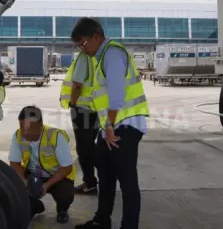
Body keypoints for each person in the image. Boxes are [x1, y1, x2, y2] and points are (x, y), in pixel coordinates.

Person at [71, 17, 149, 229]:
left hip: (125, 125)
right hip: (113, 125)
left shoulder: (112, 54)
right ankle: (101, 220)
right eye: (78, 46)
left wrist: (109, 126)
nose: (82, 49)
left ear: (96, 37)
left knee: (127, 181)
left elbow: (117, 95)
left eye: (83, 44)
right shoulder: (99, 56)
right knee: (105, 175)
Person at [8, 106, 75, 224]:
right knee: (12, 181)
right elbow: (14, 163)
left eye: (28, 129)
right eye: (22, 127)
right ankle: (34, 206)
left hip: (55, 176)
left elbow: (67, 167)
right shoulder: (18, 136)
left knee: (66, 194)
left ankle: (62, 210)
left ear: (40, 126)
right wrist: (23, 181)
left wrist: (47, 185)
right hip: (33, 174)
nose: (24, 132)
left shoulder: (55, 136)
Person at [59, 52, 99, 195]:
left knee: (84, 148)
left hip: (82, 109)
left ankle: (90, 183)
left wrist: (72, 103)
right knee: (90, 144)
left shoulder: (85, 57)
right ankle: (104, 174)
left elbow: (77, 85)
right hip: (98, 108)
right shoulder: (100, 56)